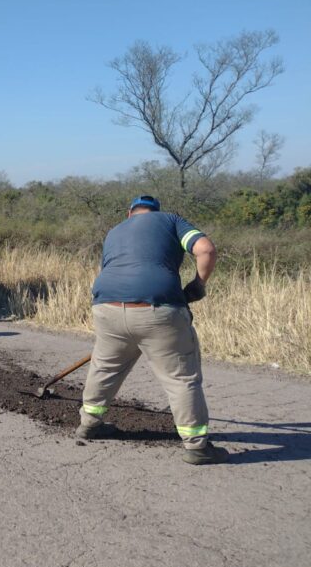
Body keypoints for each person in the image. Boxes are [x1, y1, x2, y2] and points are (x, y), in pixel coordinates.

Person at [77, 195, 226, 465]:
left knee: (104, 367)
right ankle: (196, 446)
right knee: (180, 378)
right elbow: (206, 250)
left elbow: (112, 269)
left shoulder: (115, 231)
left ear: (130, 213)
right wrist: (198, 285)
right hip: (157, 310)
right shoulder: (171, 221)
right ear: (156, 211)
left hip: (107, 307)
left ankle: (89, 423)